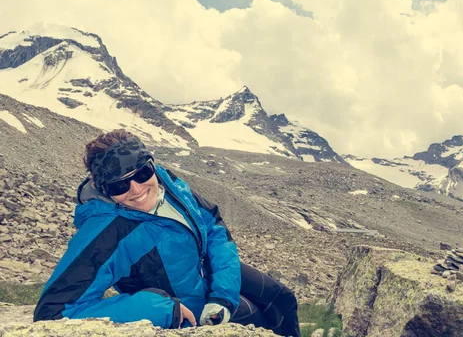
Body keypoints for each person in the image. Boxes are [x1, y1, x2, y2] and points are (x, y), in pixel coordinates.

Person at [33, 129, 301, 337]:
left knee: (285, 300)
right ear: (103, 189)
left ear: (151, 165)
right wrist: (159, 310)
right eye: (119, 186)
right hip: (189, 308)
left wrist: (223, 295)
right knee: (267, 324)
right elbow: (53, 311)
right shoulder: (106, 233)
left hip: (208, 272)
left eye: (142, 173)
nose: (136, 189)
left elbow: (213, 226)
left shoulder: (168, 183)